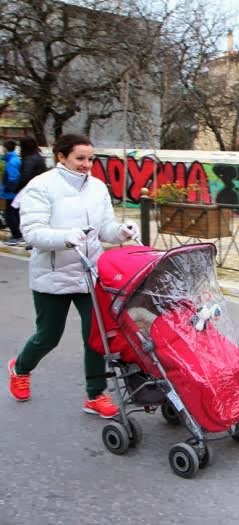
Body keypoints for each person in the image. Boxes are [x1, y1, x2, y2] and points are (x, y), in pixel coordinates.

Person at [7, 134, 139, 417]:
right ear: (61, 156)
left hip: (90, 273)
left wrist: (120, 232)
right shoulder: (41, 187)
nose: (86, 164)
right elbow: (32, 232)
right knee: (48, 336)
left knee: (97, 336)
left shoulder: (97, 187)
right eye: (80, 158)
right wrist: (66, 237)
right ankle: (20, 368)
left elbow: (104, 227)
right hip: (52, 274)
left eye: (90, 159)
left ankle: (95, 396)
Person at [1, 140, 23, 244]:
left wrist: (8, 189)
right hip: (12, 192)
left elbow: (13, 177)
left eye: (3, 147)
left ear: (6, 148)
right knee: (13, 213)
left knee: (9, 214)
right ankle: (18, 234)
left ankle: (17, 235)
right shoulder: (13, 159)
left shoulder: (12, 161)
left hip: (10, 192)